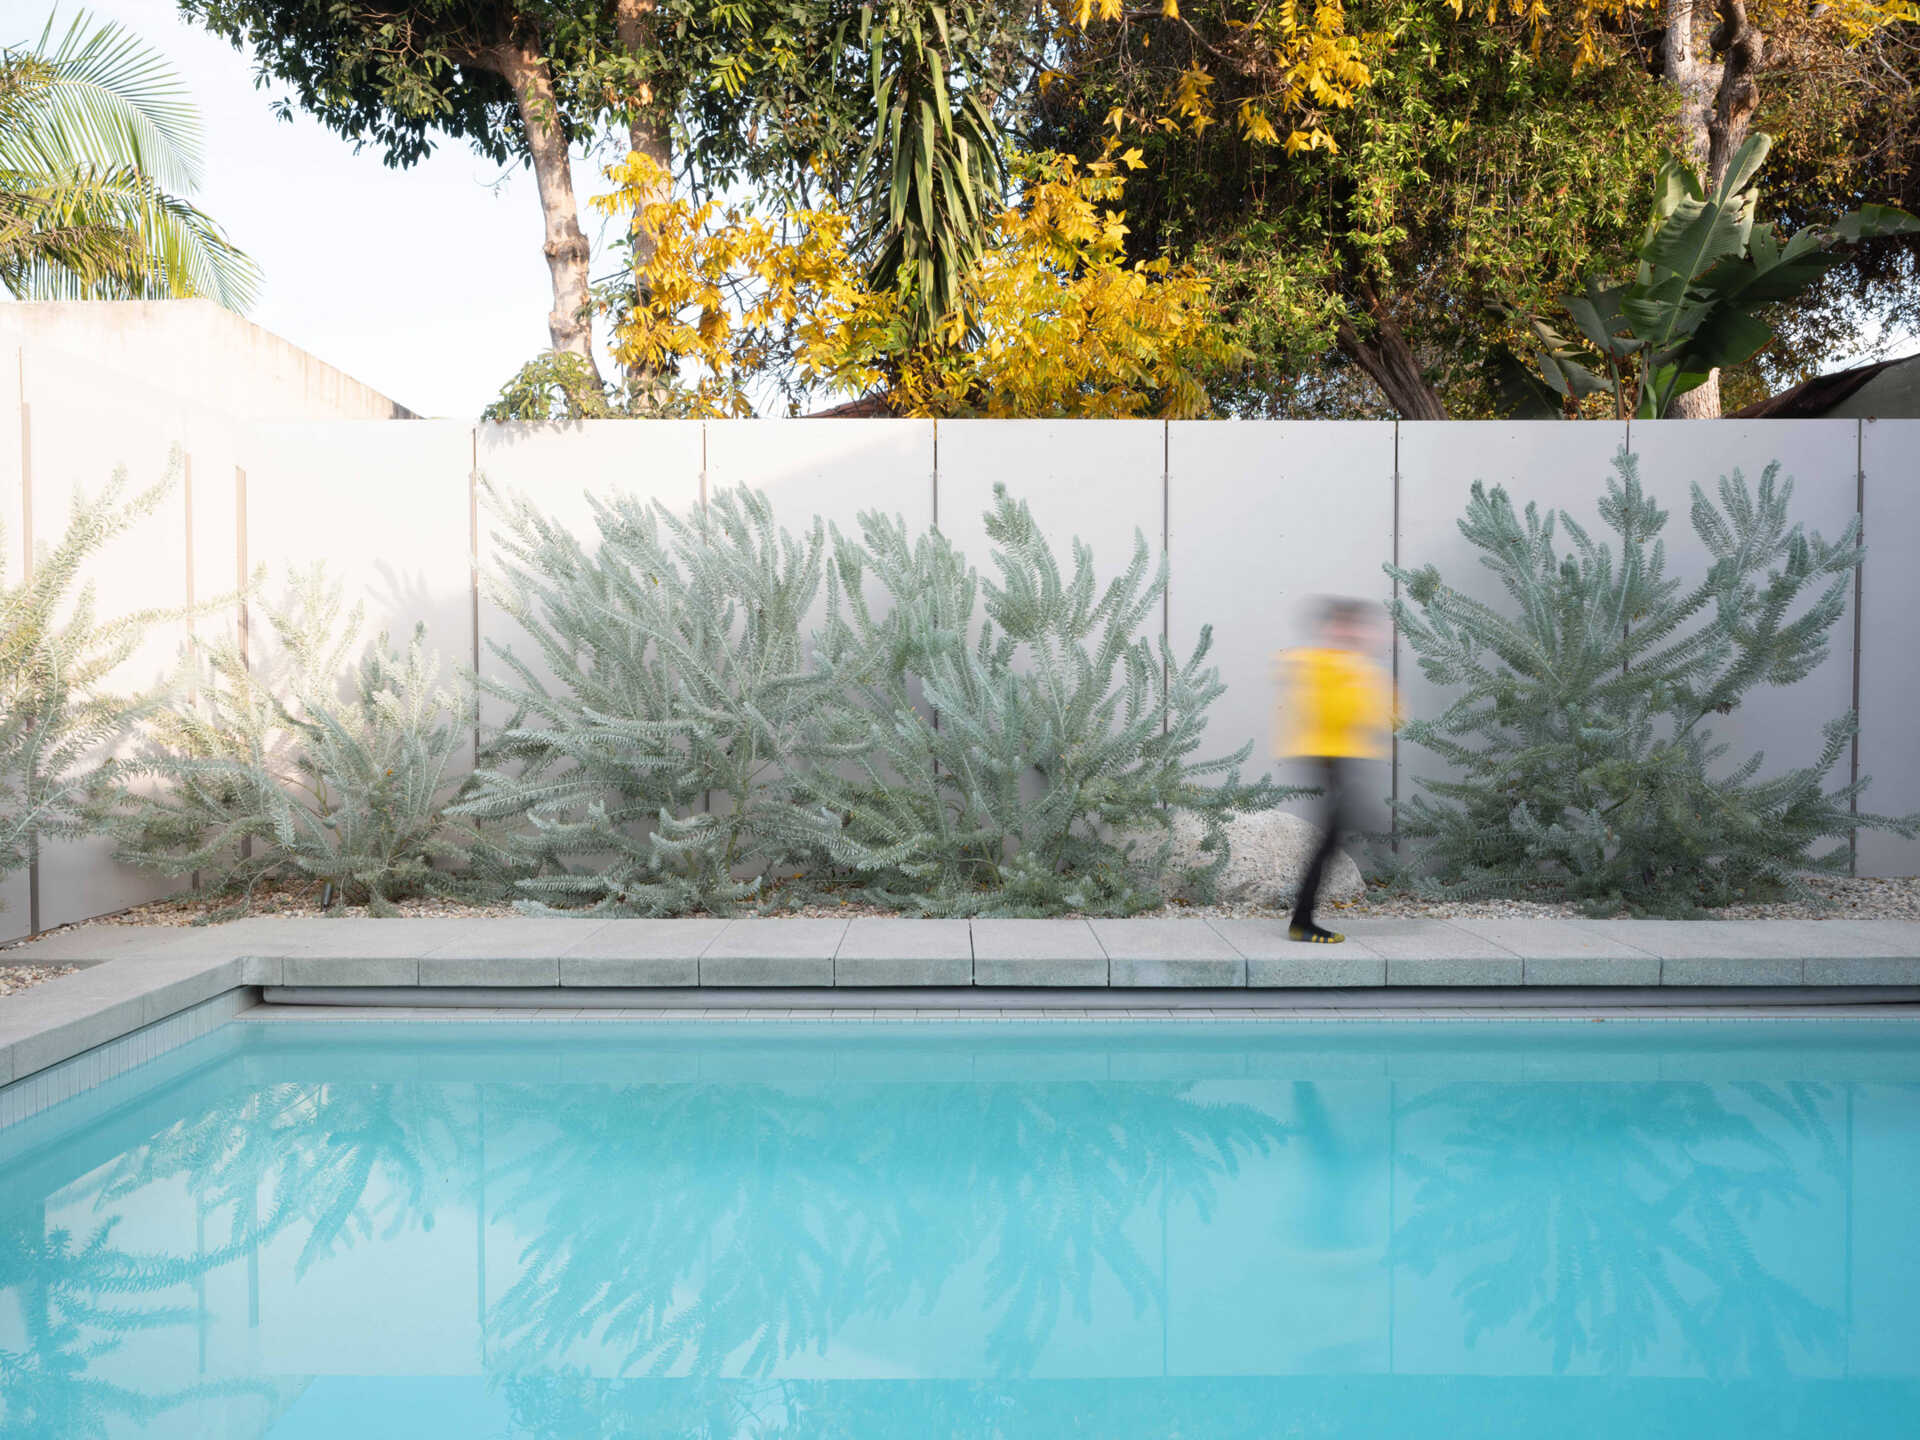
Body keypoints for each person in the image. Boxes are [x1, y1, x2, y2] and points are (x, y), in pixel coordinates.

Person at [1275, 598, 1393, 944]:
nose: (1354, 632)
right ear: (1330, 628)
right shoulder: (1320, 664)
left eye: (1356, 626)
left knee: (1332, 838)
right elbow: (1336, 712)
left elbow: (1387, 711)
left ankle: (1302, 919)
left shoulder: (1349, 666)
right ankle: (1301, 921)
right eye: (1346, 625)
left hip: (1344, 758)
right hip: (1327, 758)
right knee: (1330, 839)